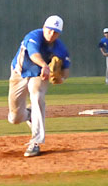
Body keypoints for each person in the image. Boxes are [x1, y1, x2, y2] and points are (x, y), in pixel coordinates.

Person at [7, 15, 71, 157]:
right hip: (19, 72)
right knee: (14, 118)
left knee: (37, 97)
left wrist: (61, 79)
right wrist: (44, 65)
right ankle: (30, 115)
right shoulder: (34, 36)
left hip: (38, 75)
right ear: (44, 27)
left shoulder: (60, 48)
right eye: (49, 30)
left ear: (59, 33)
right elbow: (34, 54)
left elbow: (66, 70)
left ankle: (35, 142)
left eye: (55, 32)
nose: (51, 34)